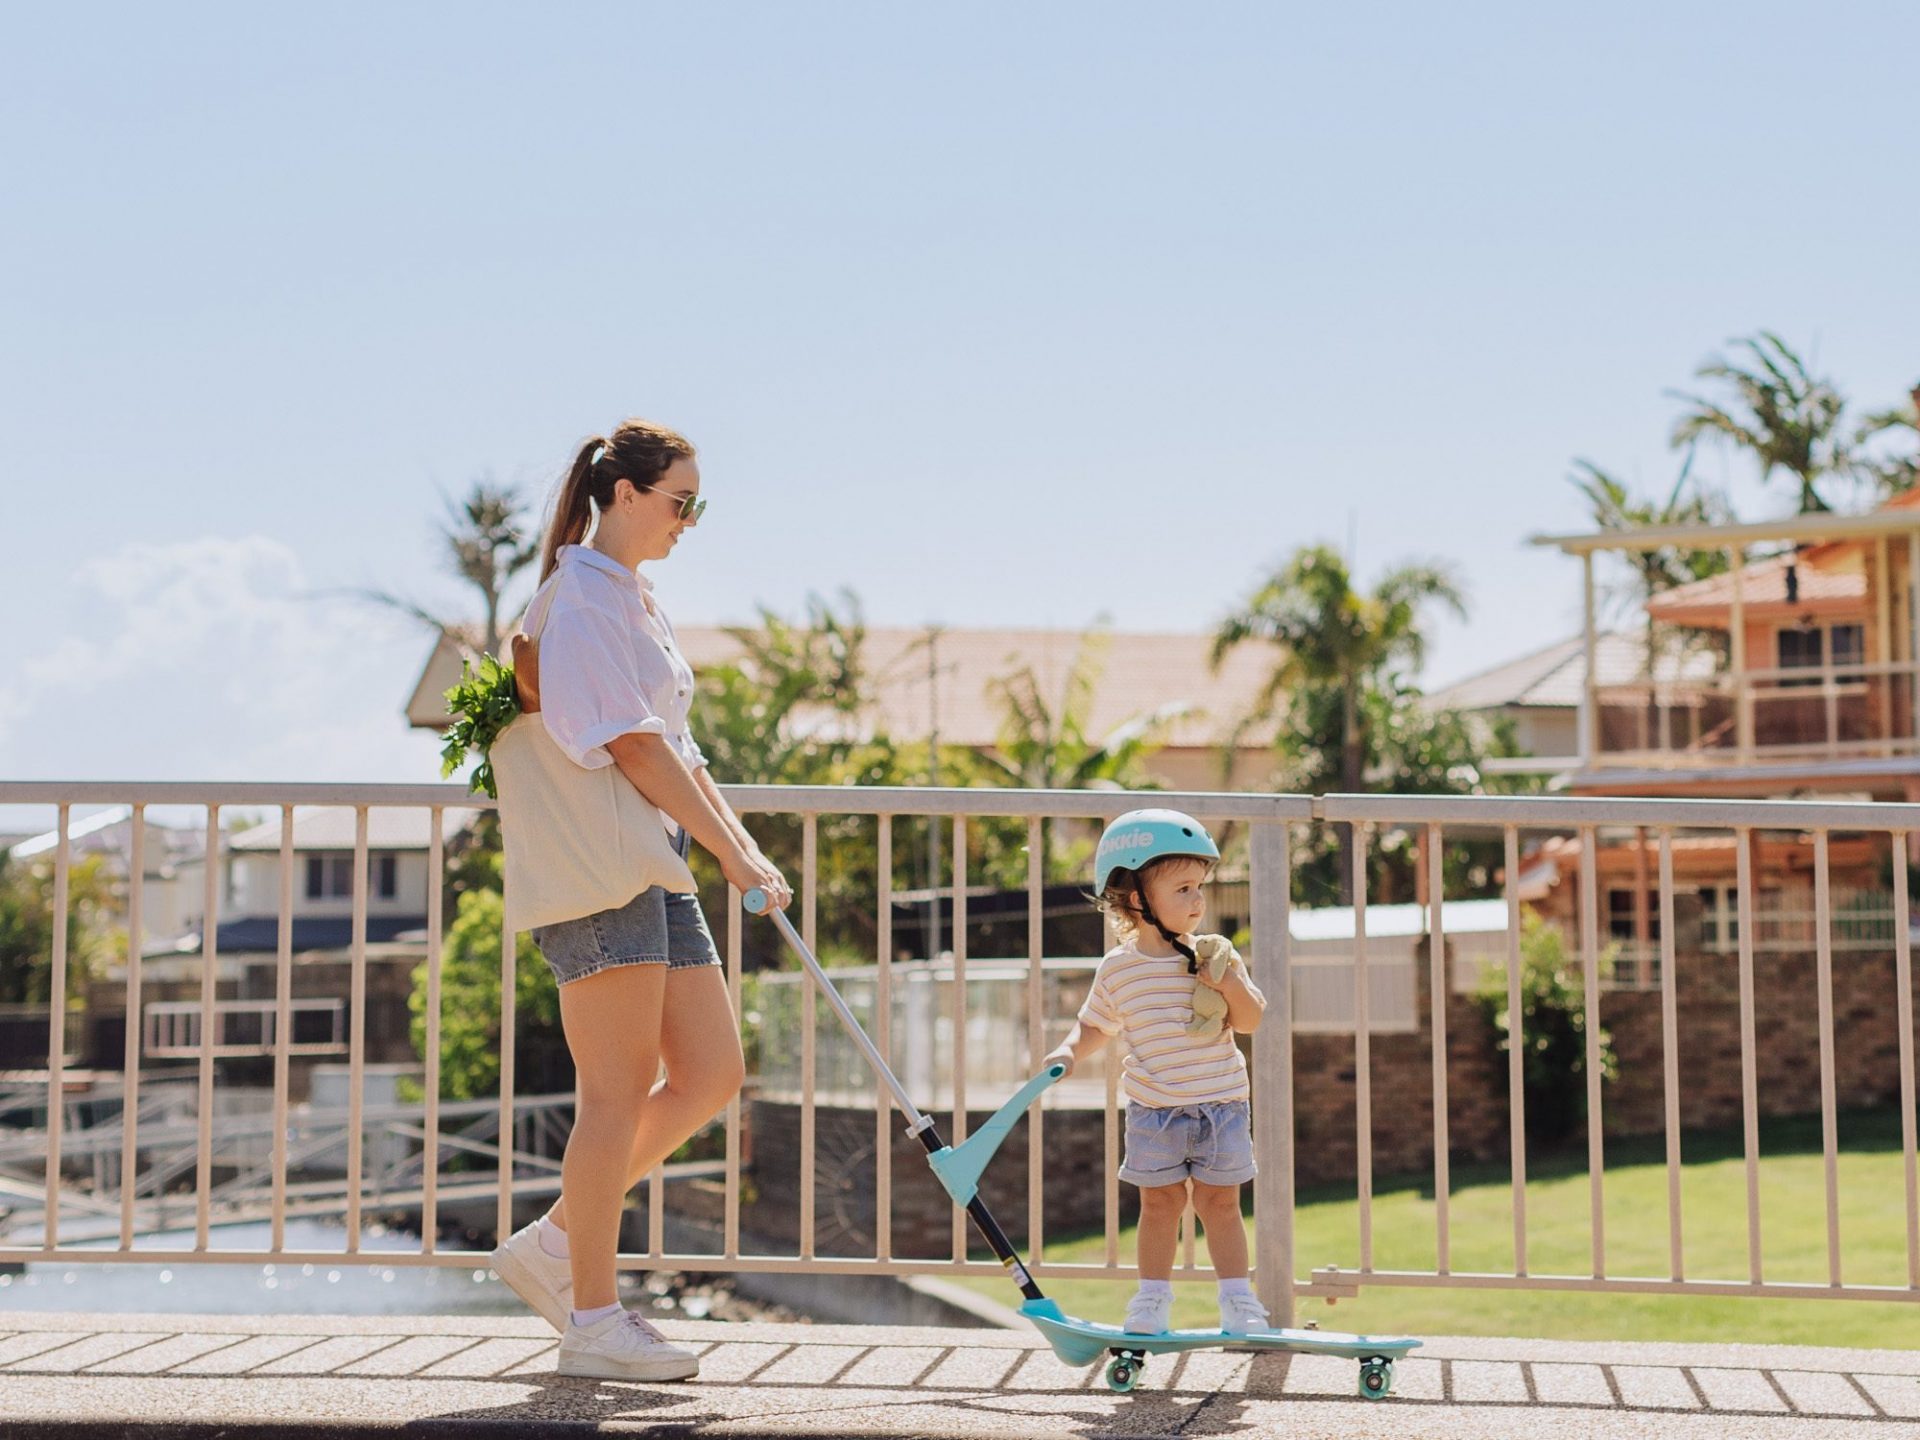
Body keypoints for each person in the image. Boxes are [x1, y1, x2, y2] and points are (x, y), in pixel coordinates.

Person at [487, 419, 791, 1383]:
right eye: (680, 501)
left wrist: (739, 849)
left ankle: (554, 1243)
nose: (689, 520)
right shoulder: (576, 599)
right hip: (599, 870)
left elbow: (679, 751)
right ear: (625, 495)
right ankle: (592, 1317)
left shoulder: (632, 599)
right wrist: (733, 856)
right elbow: (631, 744)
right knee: (613, 1095)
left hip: (652, 864)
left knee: (708, 1075)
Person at [1043, 808, 1269, 1336]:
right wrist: (1068, 1053)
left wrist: (1228, 982)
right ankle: (1151, 1301)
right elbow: (1095, 1026)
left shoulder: (1215, 954)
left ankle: (1239, 1301)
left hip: (1222, 1106)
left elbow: (1252, 1019)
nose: (1198, 901)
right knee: (1159, 1205)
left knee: (1221, 1204)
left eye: (1200, 888)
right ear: (1134, 898)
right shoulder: (1118, 969)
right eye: (1184, 889)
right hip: (1154, 1112)